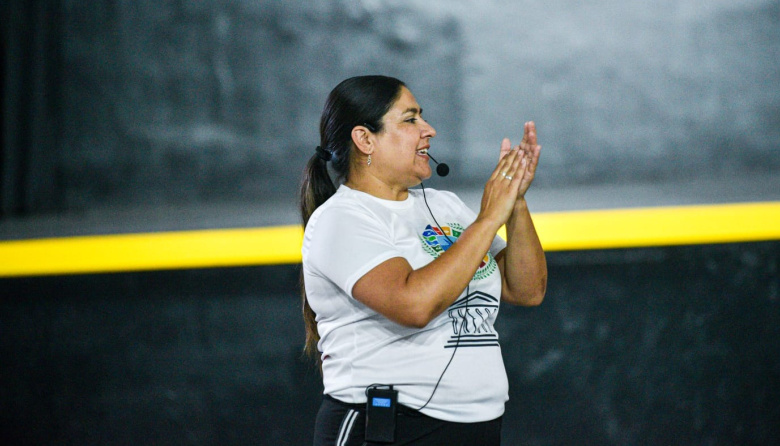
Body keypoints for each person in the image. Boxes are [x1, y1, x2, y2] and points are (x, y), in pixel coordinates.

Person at [299, 75, 546, 446]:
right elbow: (414, 305)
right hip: (388, 428)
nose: (428, 130)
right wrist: (488, 218)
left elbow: (526, 290)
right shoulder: (341, 218)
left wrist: (516, 202)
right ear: (365, 139)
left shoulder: (445, 206)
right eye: (410, 119)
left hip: (475, 427)